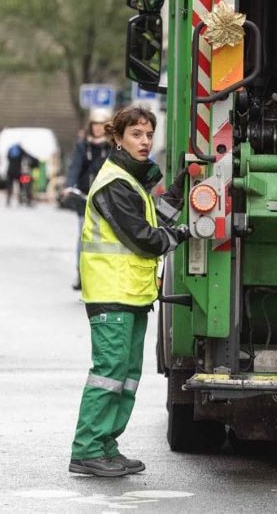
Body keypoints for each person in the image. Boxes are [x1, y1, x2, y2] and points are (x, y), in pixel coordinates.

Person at [70, 106, 190, 477]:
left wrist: (179, 188)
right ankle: (87, 448)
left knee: (125, 376)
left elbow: (152, 218)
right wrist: (186, 233)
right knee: (109, 372)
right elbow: (144, 238)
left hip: (131, 294)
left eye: (149, 135)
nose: (145, 142)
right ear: (118, 138)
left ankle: (107, 445)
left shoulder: (131, 181)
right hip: (111, 293)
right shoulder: (114, 184)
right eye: (136, 135)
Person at [66, 109, 113, 290]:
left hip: (107, 199)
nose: (98, 128)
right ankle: (81, 272)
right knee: (83, 236)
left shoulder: (112, 146)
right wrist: (69, 186)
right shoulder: (83, 146)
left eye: (102, 125)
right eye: (95, 124)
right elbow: (74, 167)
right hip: (85, 198)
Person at [5, 143, 39, 207]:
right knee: (22, 186)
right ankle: (21, 200)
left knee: (10, 186)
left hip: (10, 172)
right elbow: (28, 155)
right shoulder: (20, 150)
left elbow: (7, 158)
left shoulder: (10, 150)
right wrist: (36, 160)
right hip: (18, 173)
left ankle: (8, 200)